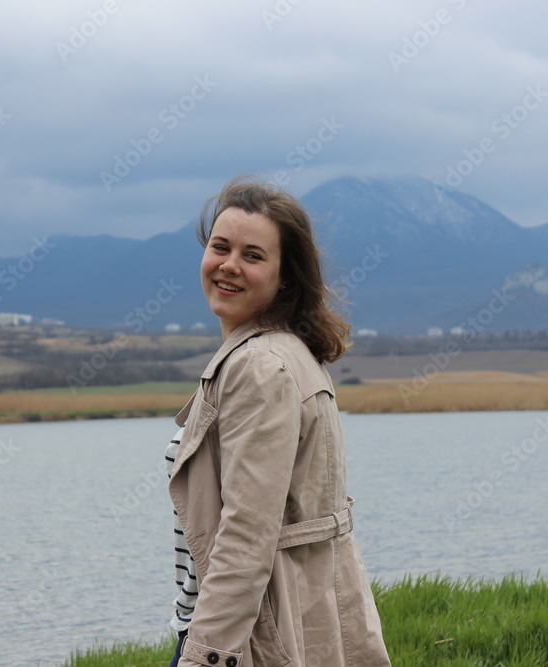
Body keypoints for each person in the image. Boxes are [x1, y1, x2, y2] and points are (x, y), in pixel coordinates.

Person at [166, 176, 391, 666]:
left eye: (253, 255)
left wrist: (205, 656)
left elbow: (247, 532)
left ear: (284, 276)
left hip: (243, 638)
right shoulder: (285, 351)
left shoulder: (260, 368)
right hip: (281, 623)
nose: (228, 265)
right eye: (220, 247)